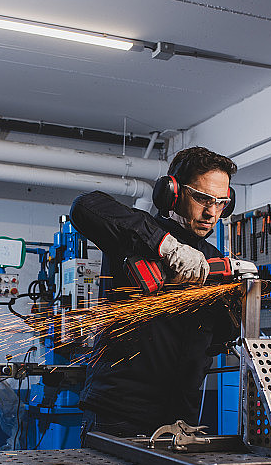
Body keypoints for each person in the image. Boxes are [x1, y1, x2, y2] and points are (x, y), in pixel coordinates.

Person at [70, 146, 239, 442]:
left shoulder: (215, 264)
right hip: (117, 415)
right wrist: (166, 246)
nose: (212, 213)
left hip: (180, 422)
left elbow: (214, 343)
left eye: (221, 203)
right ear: (171, 193)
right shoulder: (134, 236)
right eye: (202, 198)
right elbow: (84, 206)